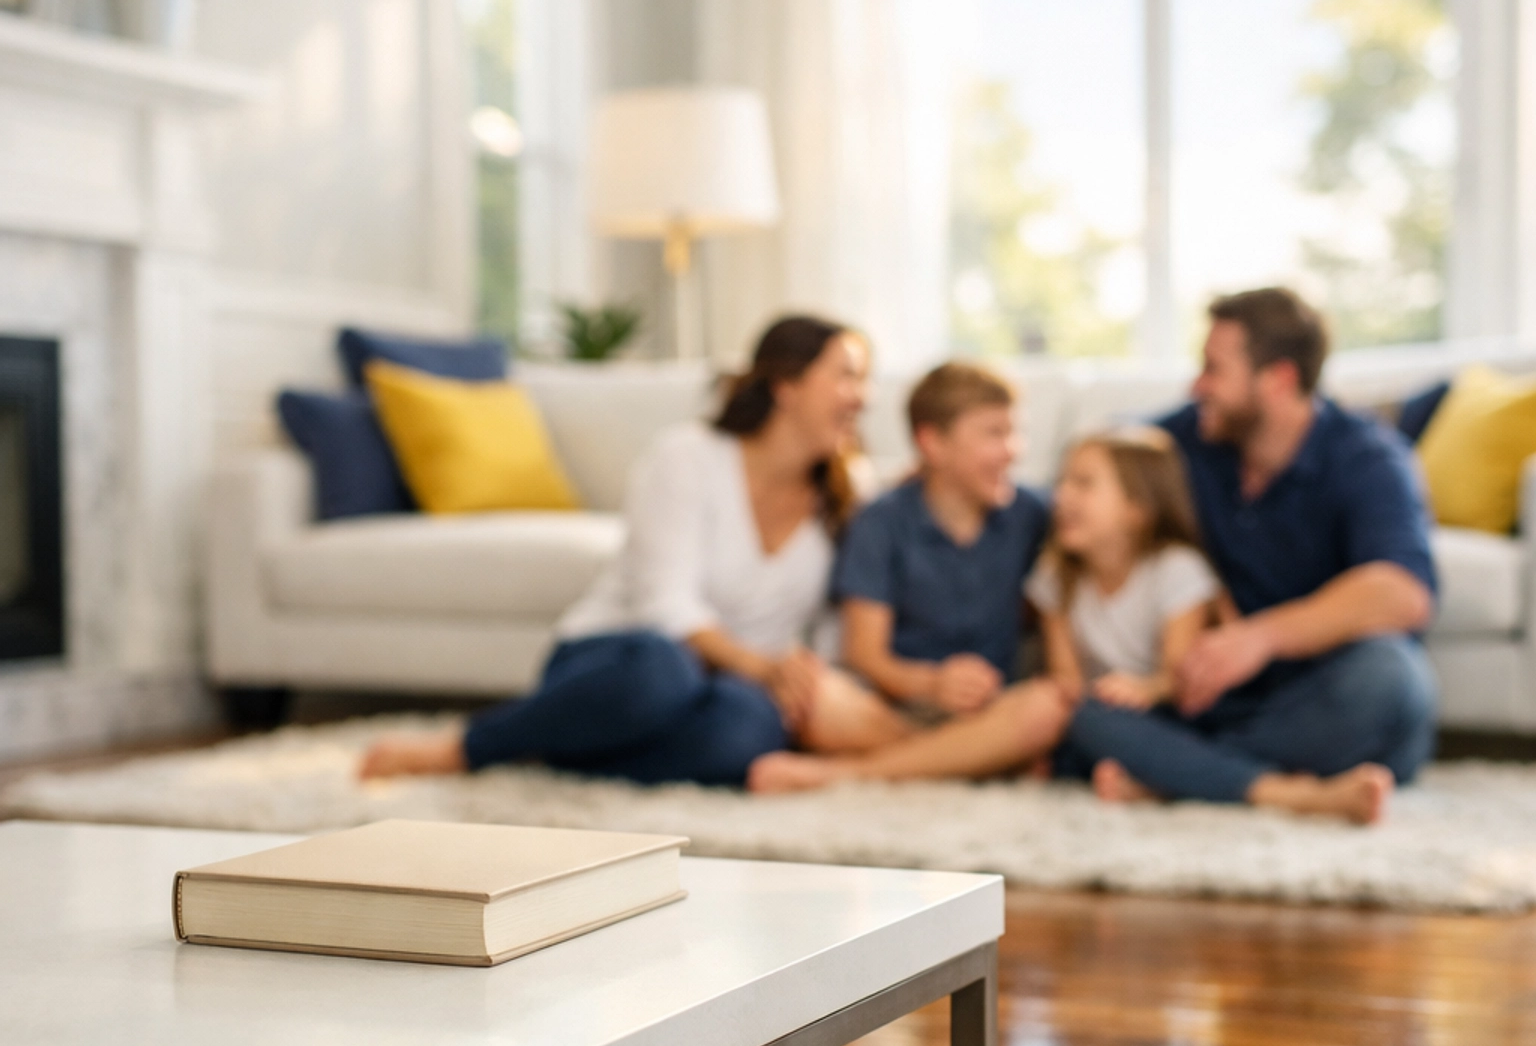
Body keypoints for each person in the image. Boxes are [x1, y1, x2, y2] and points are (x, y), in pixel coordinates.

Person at [358, 316, 908, 788]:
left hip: (730, 688)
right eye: (847, 376)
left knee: (750, 733)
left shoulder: (851, 492)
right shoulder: (688, 457)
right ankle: (468, 748)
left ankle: (558, 751)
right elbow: (665, 609)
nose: (865, 397)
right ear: (787, 385)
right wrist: (762, 665)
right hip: (621, 659)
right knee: (663, 671)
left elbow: (850, 606)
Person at [1060, 286, 1438, 823]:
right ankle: (1281, 790)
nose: (1198, 385)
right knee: (1089, 711)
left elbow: (1403, 593)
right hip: (1205, 701)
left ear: (1278, 379)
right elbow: (1102, 472)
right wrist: (955, 487)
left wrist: (1257, 639)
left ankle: (1178, 777)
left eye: (1214, 370)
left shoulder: (1368, 458)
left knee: (1393, 680)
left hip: (1316, 694)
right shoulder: (1188, 438)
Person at [1041, 429, 1398, 823]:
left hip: (1174, 714)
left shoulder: (1176, 570)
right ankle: (1188, 778)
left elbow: (1178, 679)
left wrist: (1144, 688)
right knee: (1086, 724)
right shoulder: (1057, 576)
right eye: (1062, 482)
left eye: (1083, 484)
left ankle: (1256, 790)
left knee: (1378, 681)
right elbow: (1067, 682)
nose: (1062, 496)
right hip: (1118, 721)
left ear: (1137, 508)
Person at [747, 362, 1071, 792]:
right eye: (994, 434)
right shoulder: (881, 522)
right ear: (932, 444)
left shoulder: (1031, 513)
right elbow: (864, 653)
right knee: (816, 700)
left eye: (1015, 433)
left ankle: (846, 774)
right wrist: (934, 683)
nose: (1013, 450)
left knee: (1047, 706)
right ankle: (975, 758)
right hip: (897, 709)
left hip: (994, 709)